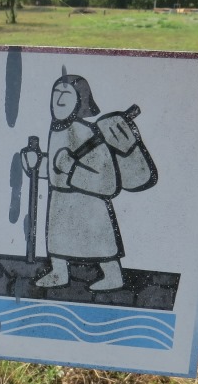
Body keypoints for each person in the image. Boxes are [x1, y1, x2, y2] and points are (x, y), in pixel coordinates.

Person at [26, 74, 126, 291]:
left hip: (88, 201)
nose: (59, 99)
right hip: (60, 199)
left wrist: (72, 168)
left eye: (66, 94)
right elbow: (56, 167)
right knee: (58, 240)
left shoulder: (87, 132)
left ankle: (113, 275)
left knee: (100, 243)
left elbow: (108, 181)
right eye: (56, 93)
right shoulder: (56, 129)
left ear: (80, 100)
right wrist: (36, 164)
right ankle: (59, 272)